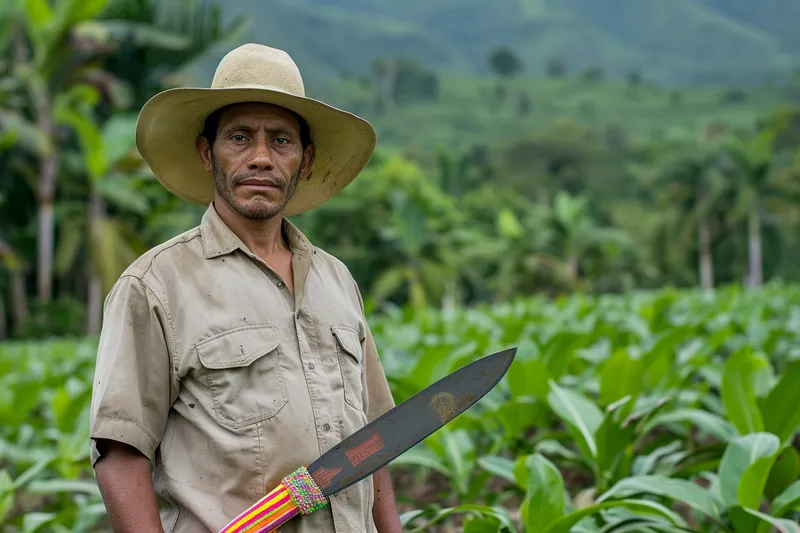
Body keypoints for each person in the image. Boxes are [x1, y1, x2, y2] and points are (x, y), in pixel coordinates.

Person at [88, 43, 402, 533]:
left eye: (281, 141)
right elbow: (121, 455)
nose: (260, 157)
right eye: (239, 137)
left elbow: (373, 445)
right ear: (204, 151)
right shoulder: (155, 287)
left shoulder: (337, 281)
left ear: (307, 159)